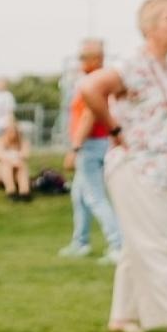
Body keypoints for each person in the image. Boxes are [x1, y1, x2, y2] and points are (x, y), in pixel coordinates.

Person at [78, 0, 167, 332]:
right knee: (156, 243)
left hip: (162, 166)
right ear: (150, 26)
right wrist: (115, 130)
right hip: (137, 165)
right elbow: (90, 88)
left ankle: (123, 315)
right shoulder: (134, 62)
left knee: (137, 245)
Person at [60, 39, 123, 261]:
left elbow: (88, 115)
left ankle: (118, 245)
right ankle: (81, 241)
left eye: (83, 58)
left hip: (90, 145)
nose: (80, 62)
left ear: (97, 59)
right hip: (97, 143)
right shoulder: (95, 81)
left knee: (95, 196)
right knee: (79, 195)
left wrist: (75, 147)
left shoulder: (94, 84)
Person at [0, 120, 32, 201]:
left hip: (17, 171)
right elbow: (0, 156)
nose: (12, 134)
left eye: (15, 131)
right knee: (7, 164)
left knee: (22, 165)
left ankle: (24, 192)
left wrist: (15, 160)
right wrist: (14, 159)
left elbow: (25, 155)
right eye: (10, 131)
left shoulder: (24, 142)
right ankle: (11, 191)